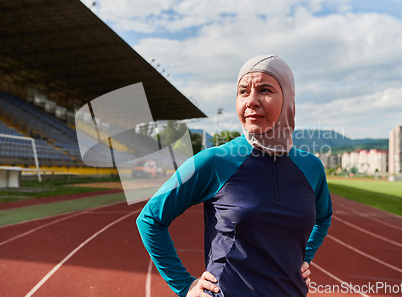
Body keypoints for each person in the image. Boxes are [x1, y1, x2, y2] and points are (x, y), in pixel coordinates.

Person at [136, 55, 333, 297]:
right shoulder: (213, 161)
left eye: (265, 90)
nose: (251, 101)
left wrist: (304, 257)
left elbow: (323, 217)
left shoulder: (311, 167)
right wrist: (184, 285)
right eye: (243, 91)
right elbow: (149, 219)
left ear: (289, 98)